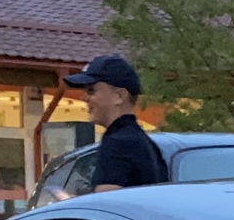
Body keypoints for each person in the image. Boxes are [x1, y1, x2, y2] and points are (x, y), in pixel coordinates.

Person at [67, 54, 165, 192]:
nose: (84, 98)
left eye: (91, 90)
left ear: (119, 96)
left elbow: (106, 203)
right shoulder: (146, 144)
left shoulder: (117, 143)